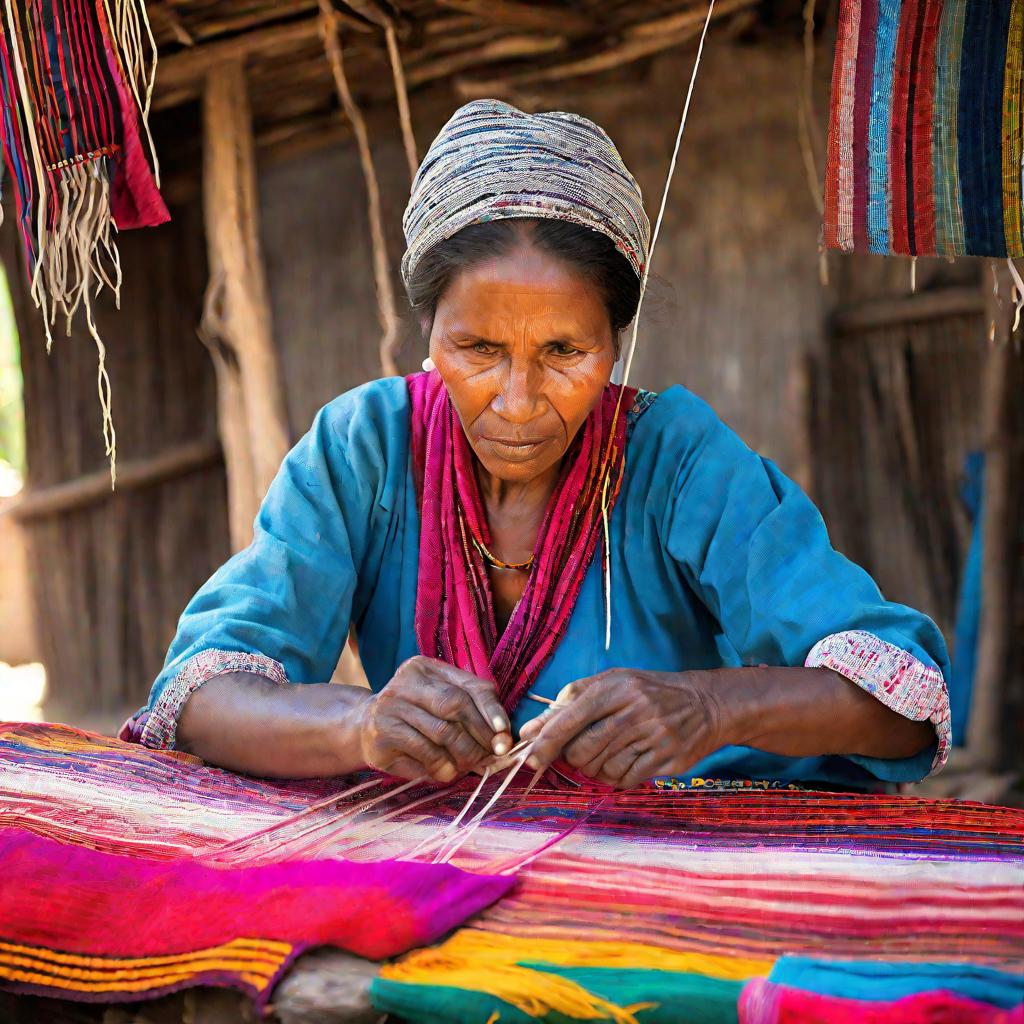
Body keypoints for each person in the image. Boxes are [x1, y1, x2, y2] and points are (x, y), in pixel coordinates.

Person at [122, 100, 950, 791]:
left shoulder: (674, 460)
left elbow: (901, 695)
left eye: (564, 352)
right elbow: (200, 695)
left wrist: (709, 707)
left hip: (667, 878)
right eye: (478, 349)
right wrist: (362, 724)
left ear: (615, 346)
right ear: (428, 333)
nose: (518, 403)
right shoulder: (363, 450)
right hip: (450, 877)